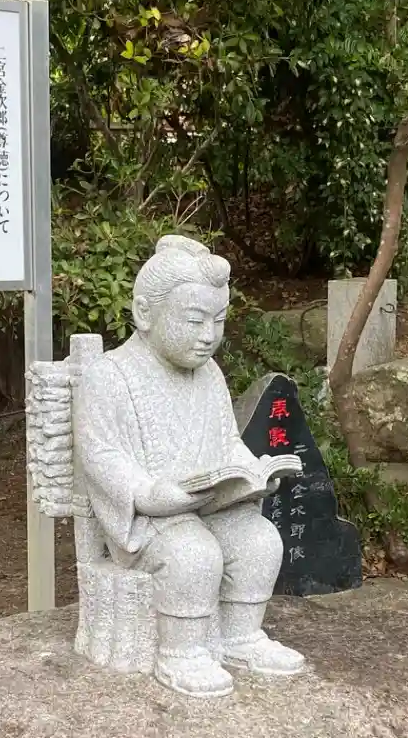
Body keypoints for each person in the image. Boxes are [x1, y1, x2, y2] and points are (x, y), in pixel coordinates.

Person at [75, 235, 307, 697]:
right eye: (195, 320)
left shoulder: (209, 374)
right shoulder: (108, 376)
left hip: (206, 506)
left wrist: (252, 473)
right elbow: (100, 455)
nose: (208, 336)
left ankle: (241, 636)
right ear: (145, 313)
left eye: (218, 321)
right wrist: (146, 493)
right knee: (193, 554)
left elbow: (227, 441)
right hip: (147, 519)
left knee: (260, 540)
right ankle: (181, 652)